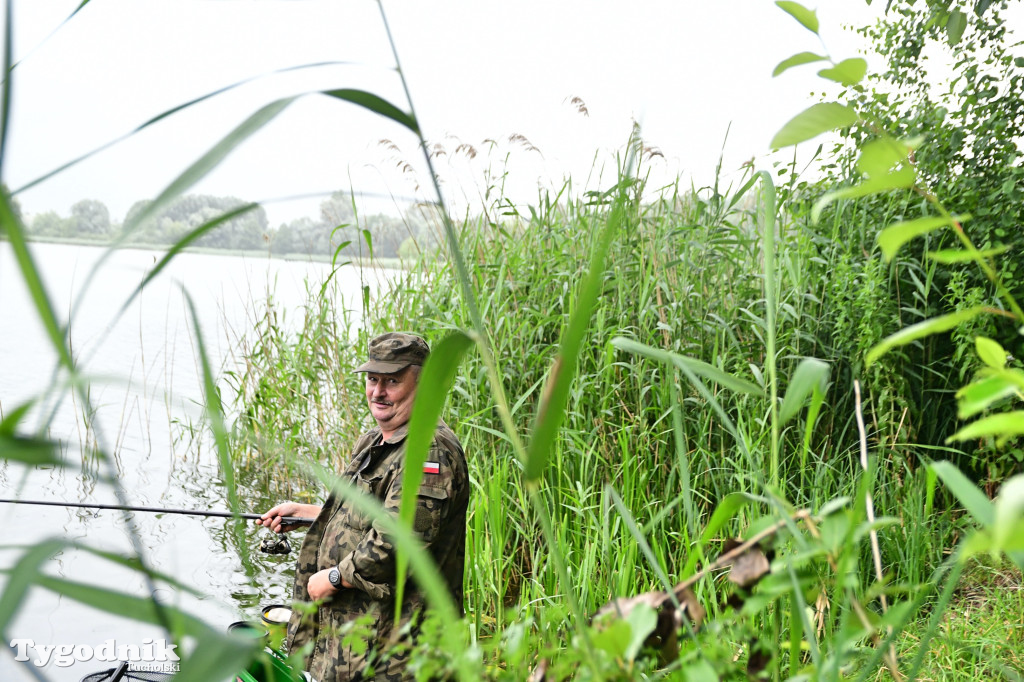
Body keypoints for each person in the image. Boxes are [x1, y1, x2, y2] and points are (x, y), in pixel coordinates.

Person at [257, 332, 469, 682]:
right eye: (373, 379)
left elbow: (398, 541)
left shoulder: (429, 452)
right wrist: (312, 515)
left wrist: (335, 578)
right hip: (357, 641)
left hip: (399, 650)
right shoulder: (376, 439)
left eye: (393, 382)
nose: (378, 392)